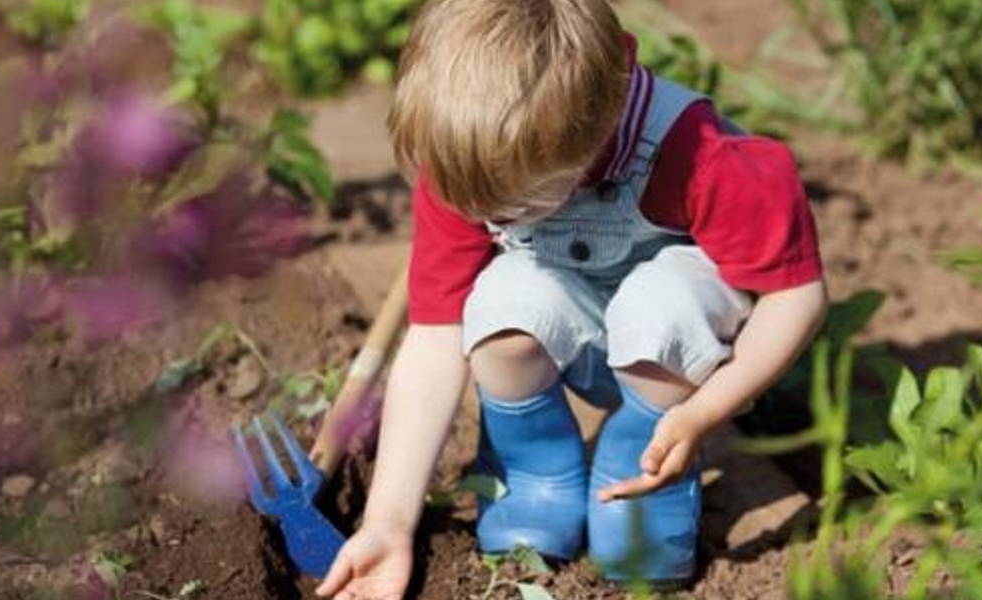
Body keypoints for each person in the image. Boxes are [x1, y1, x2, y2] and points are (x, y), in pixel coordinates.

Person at [317, 0, 827, 597]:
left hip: (681, 362)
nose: (492, 220)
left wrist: (703, 413)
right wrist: (387, 521)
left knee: (663, 306)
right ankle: (536, 473)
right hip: (576, 327)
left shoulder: (698, 156)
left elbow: (797, 297)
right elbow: (435, 337)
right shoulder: (471, 164)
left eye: (518, 207)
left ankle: (643, 468)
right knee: (499, 304)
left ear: (601, 125)